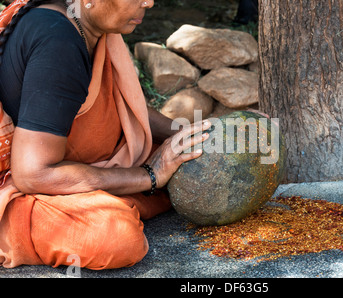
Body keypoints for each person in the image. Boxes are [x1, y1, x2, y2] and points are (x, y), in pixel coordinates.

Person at [0, 0, 211, 270]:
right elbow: (33, 174)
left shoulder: (91, 25)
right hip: (22, 184)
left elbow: (125, 106)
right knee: (115, 236)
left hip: (66, 163)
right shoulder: (58, 41)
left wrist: (198, 133)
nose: (149, 2)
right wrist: (151, 174)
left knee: (189, 159)